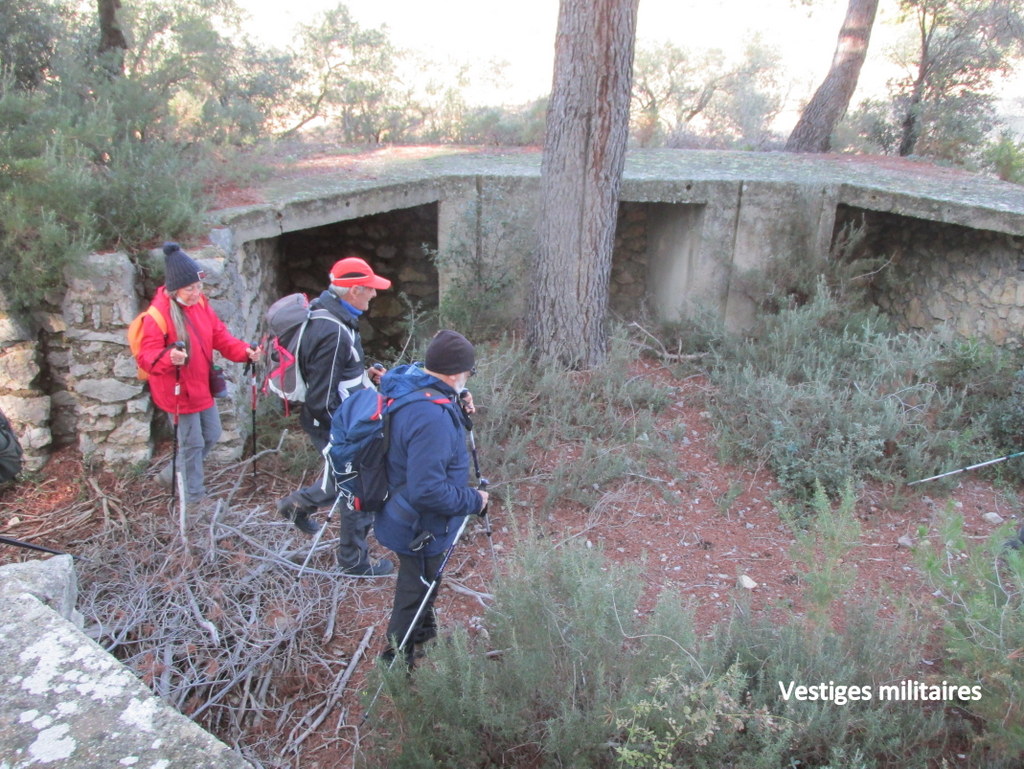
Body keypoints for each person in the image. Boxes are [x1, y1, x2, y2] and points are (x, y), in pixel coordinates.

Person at [373, 330, 489, 666]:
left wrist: (459, 395)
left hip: (404, 511)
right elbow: (428, 490)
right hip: (418, 523)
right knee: (415, 588)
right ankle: (396, 661)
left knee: (427, 578)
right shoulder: (431, 418)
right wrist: (474, 500)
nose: (467, 379)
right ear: (454, 373)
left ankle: (423, 633)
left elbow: (414, 373)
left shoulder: (412, 382)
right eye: (467, 374)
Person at [277, 255, 395, 577]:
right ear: (355, 290)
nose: (374, 295)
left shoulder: (335, 313)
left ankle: (295, 506)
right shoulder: (333, 332)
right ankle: (354, 561)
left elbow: (336, 373)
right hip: (333, 424)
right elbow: (321, 398)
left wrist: (362, 373)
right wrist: (349, 437)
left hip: (340, 417)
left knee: (340, 480)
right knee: (357, 486)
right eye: (370, 289)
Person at [137, 242, 261, 506]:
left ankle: (171, 474)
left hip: (200, 386)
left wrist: (244, 351)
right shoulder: (158, 316)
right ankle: (194, 499)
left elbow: (219, 336)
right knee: (192, 445)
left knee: (213, 433)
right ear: (174, 289)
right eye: (190, 288)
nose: (197, 292)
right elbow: (147, 358)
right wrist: (169, 358)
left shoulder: (201, 304)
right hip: (177, 392)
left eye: (199, 286)